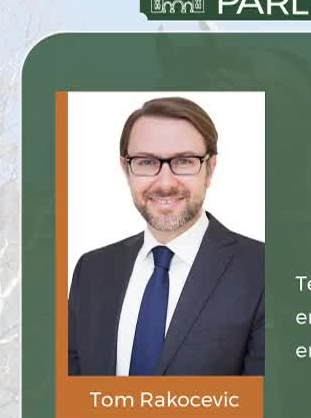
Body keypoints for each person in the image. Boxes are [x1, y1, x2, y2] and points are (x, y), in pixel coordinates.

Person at [68, 97, 264, 376]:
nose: (165, 183)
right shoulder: (91, 270)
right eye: (147, 162)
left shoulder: (262, 270)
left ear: (210, 169)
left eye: (184, 161)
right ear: (126, 169)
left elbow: (264, 408)